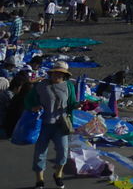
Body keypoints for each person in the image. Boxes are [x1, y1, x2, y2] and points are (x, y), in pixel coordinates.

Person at [29, 60, 76, 189]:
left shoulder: (69, 86)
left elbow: (72, 103)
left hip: (60, 125)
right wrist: (33, 106)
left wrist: (80, 105)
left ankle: (58, 174)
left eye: (61, 74)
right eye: (56, 73)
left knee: (63, 152)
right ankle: (40, 180)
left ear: (65, 75)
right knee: (40, 153)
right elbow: (28, 100)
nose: (58, 75)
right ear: (52, 73)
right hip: (43, 124)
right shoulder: (41, 85)